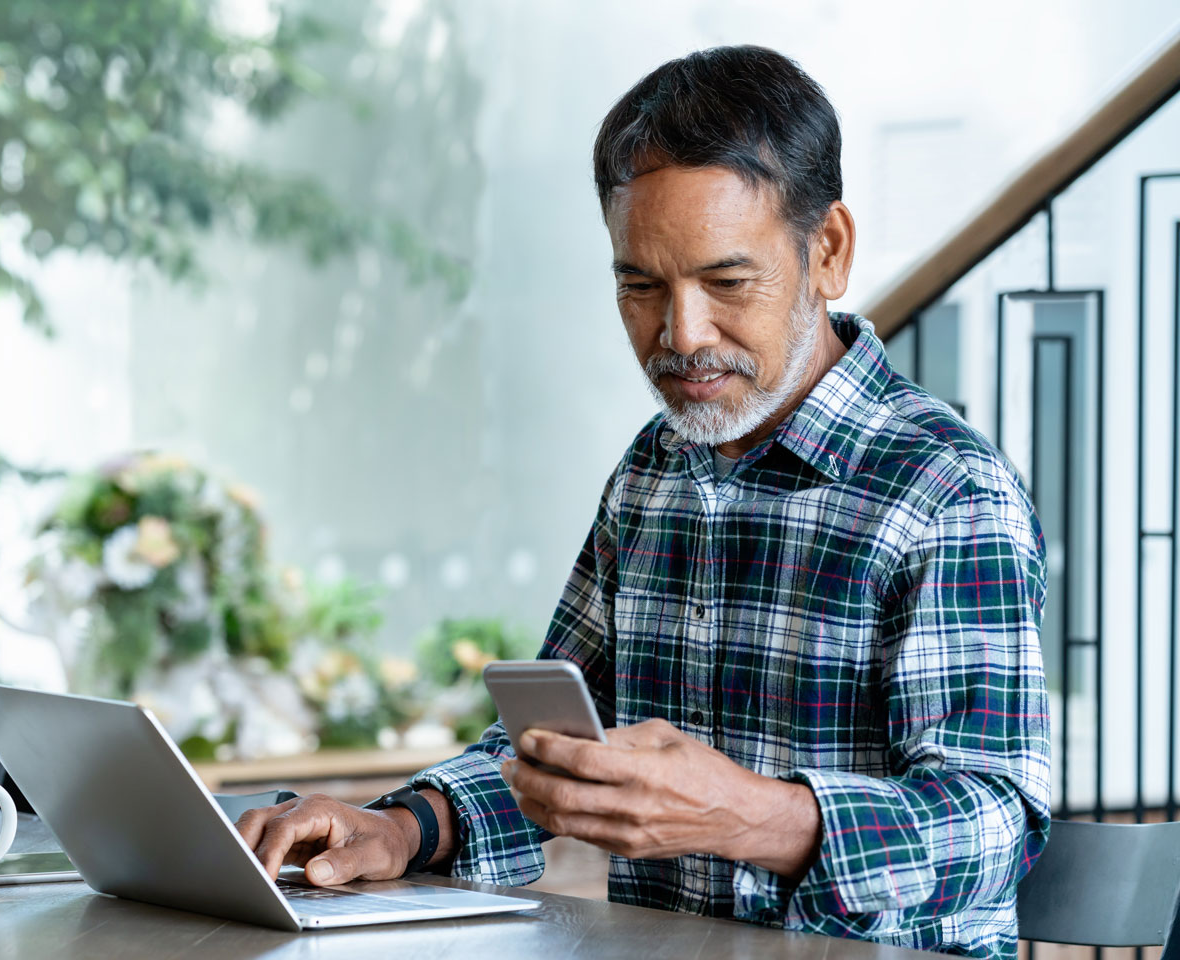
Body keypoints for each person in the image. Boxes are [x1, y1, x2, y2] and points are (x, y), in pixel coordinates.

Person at [237, 45, 1049, 959]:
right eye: (640, 286)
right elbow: (553, 750)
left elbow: (993, 828)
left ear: (827, 253)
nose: (681, 334)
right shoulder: (655, 469)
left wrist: (746, 816)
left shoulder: (945, 488)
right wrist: (403, 829)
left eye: (727, 282)